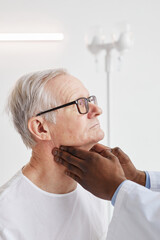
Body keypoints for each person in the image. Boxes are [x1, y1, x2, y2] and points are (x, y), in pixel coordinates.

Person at [0, 69, 109, 240]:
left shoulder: (95, 191)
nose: (97, 110)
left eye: (89, 100)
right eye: (80, 103)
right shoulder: (5, 214)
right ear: (41, 128)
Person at [53, 143, 160, 240]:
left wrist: (117, 187)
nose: (94, 119)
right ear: (41, 129)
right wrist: (138, 179)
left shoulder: (94, 204)